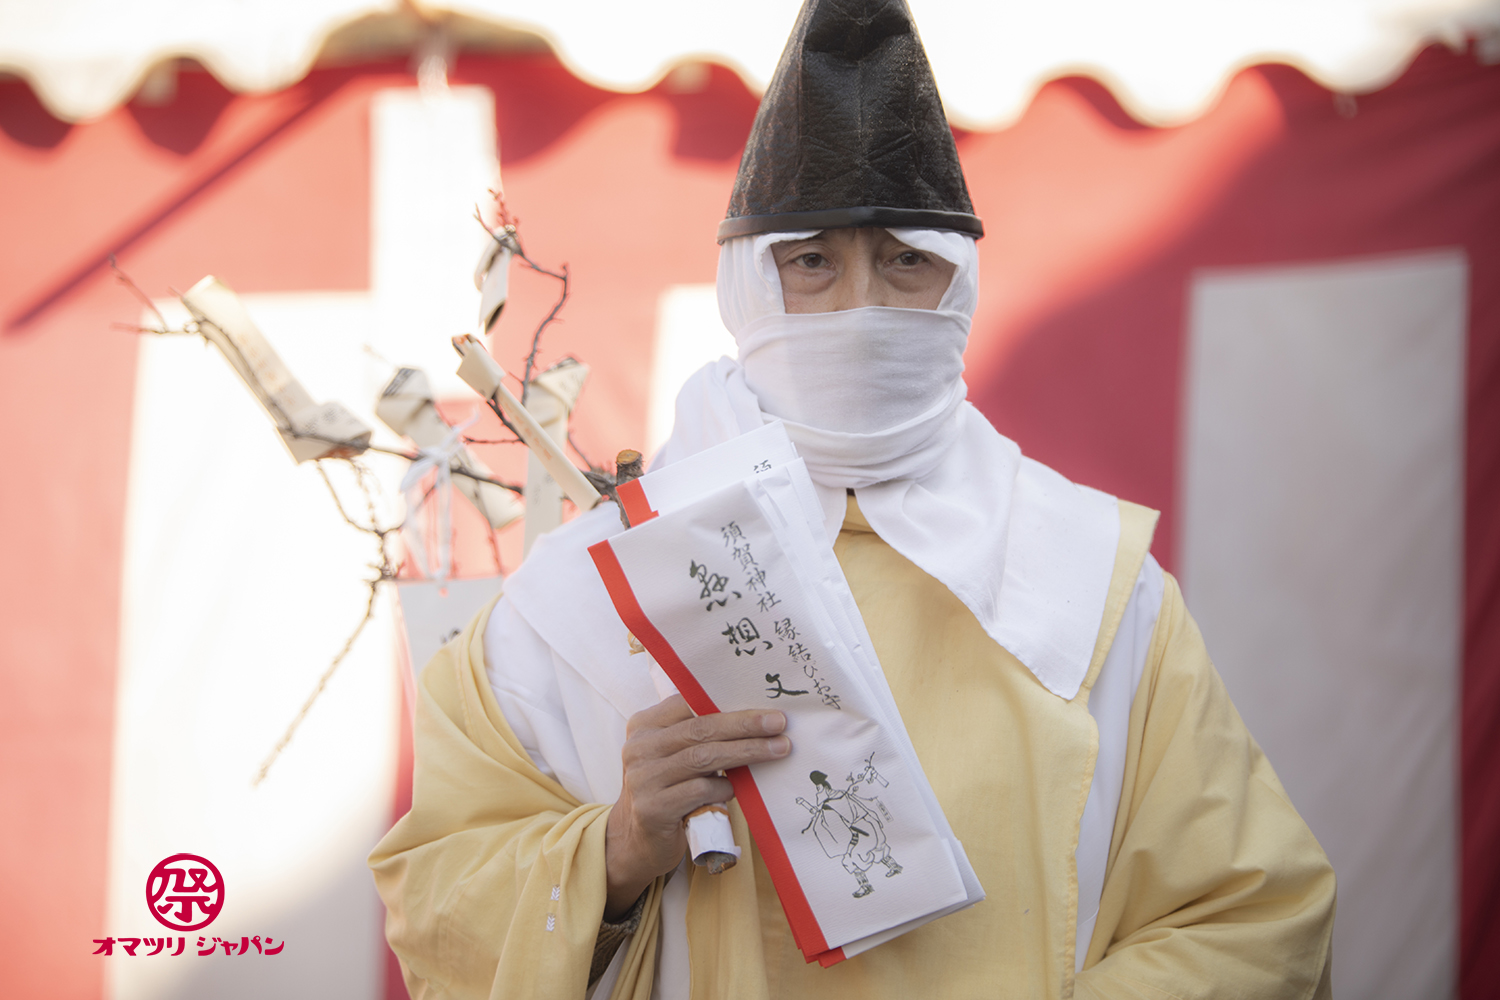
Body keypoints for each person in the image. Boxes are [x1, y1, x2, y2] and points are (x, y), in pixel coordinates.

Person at [369, 1, 1336, 997]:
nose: (860, 305)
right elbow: (440, 902)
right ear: (749, 284)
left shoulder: (1098, 587)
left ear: (958, 285)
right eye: (813, 262)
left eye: (906, 262)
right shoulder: (577, 602)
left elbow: (1254, 915)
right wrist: (613, 851)